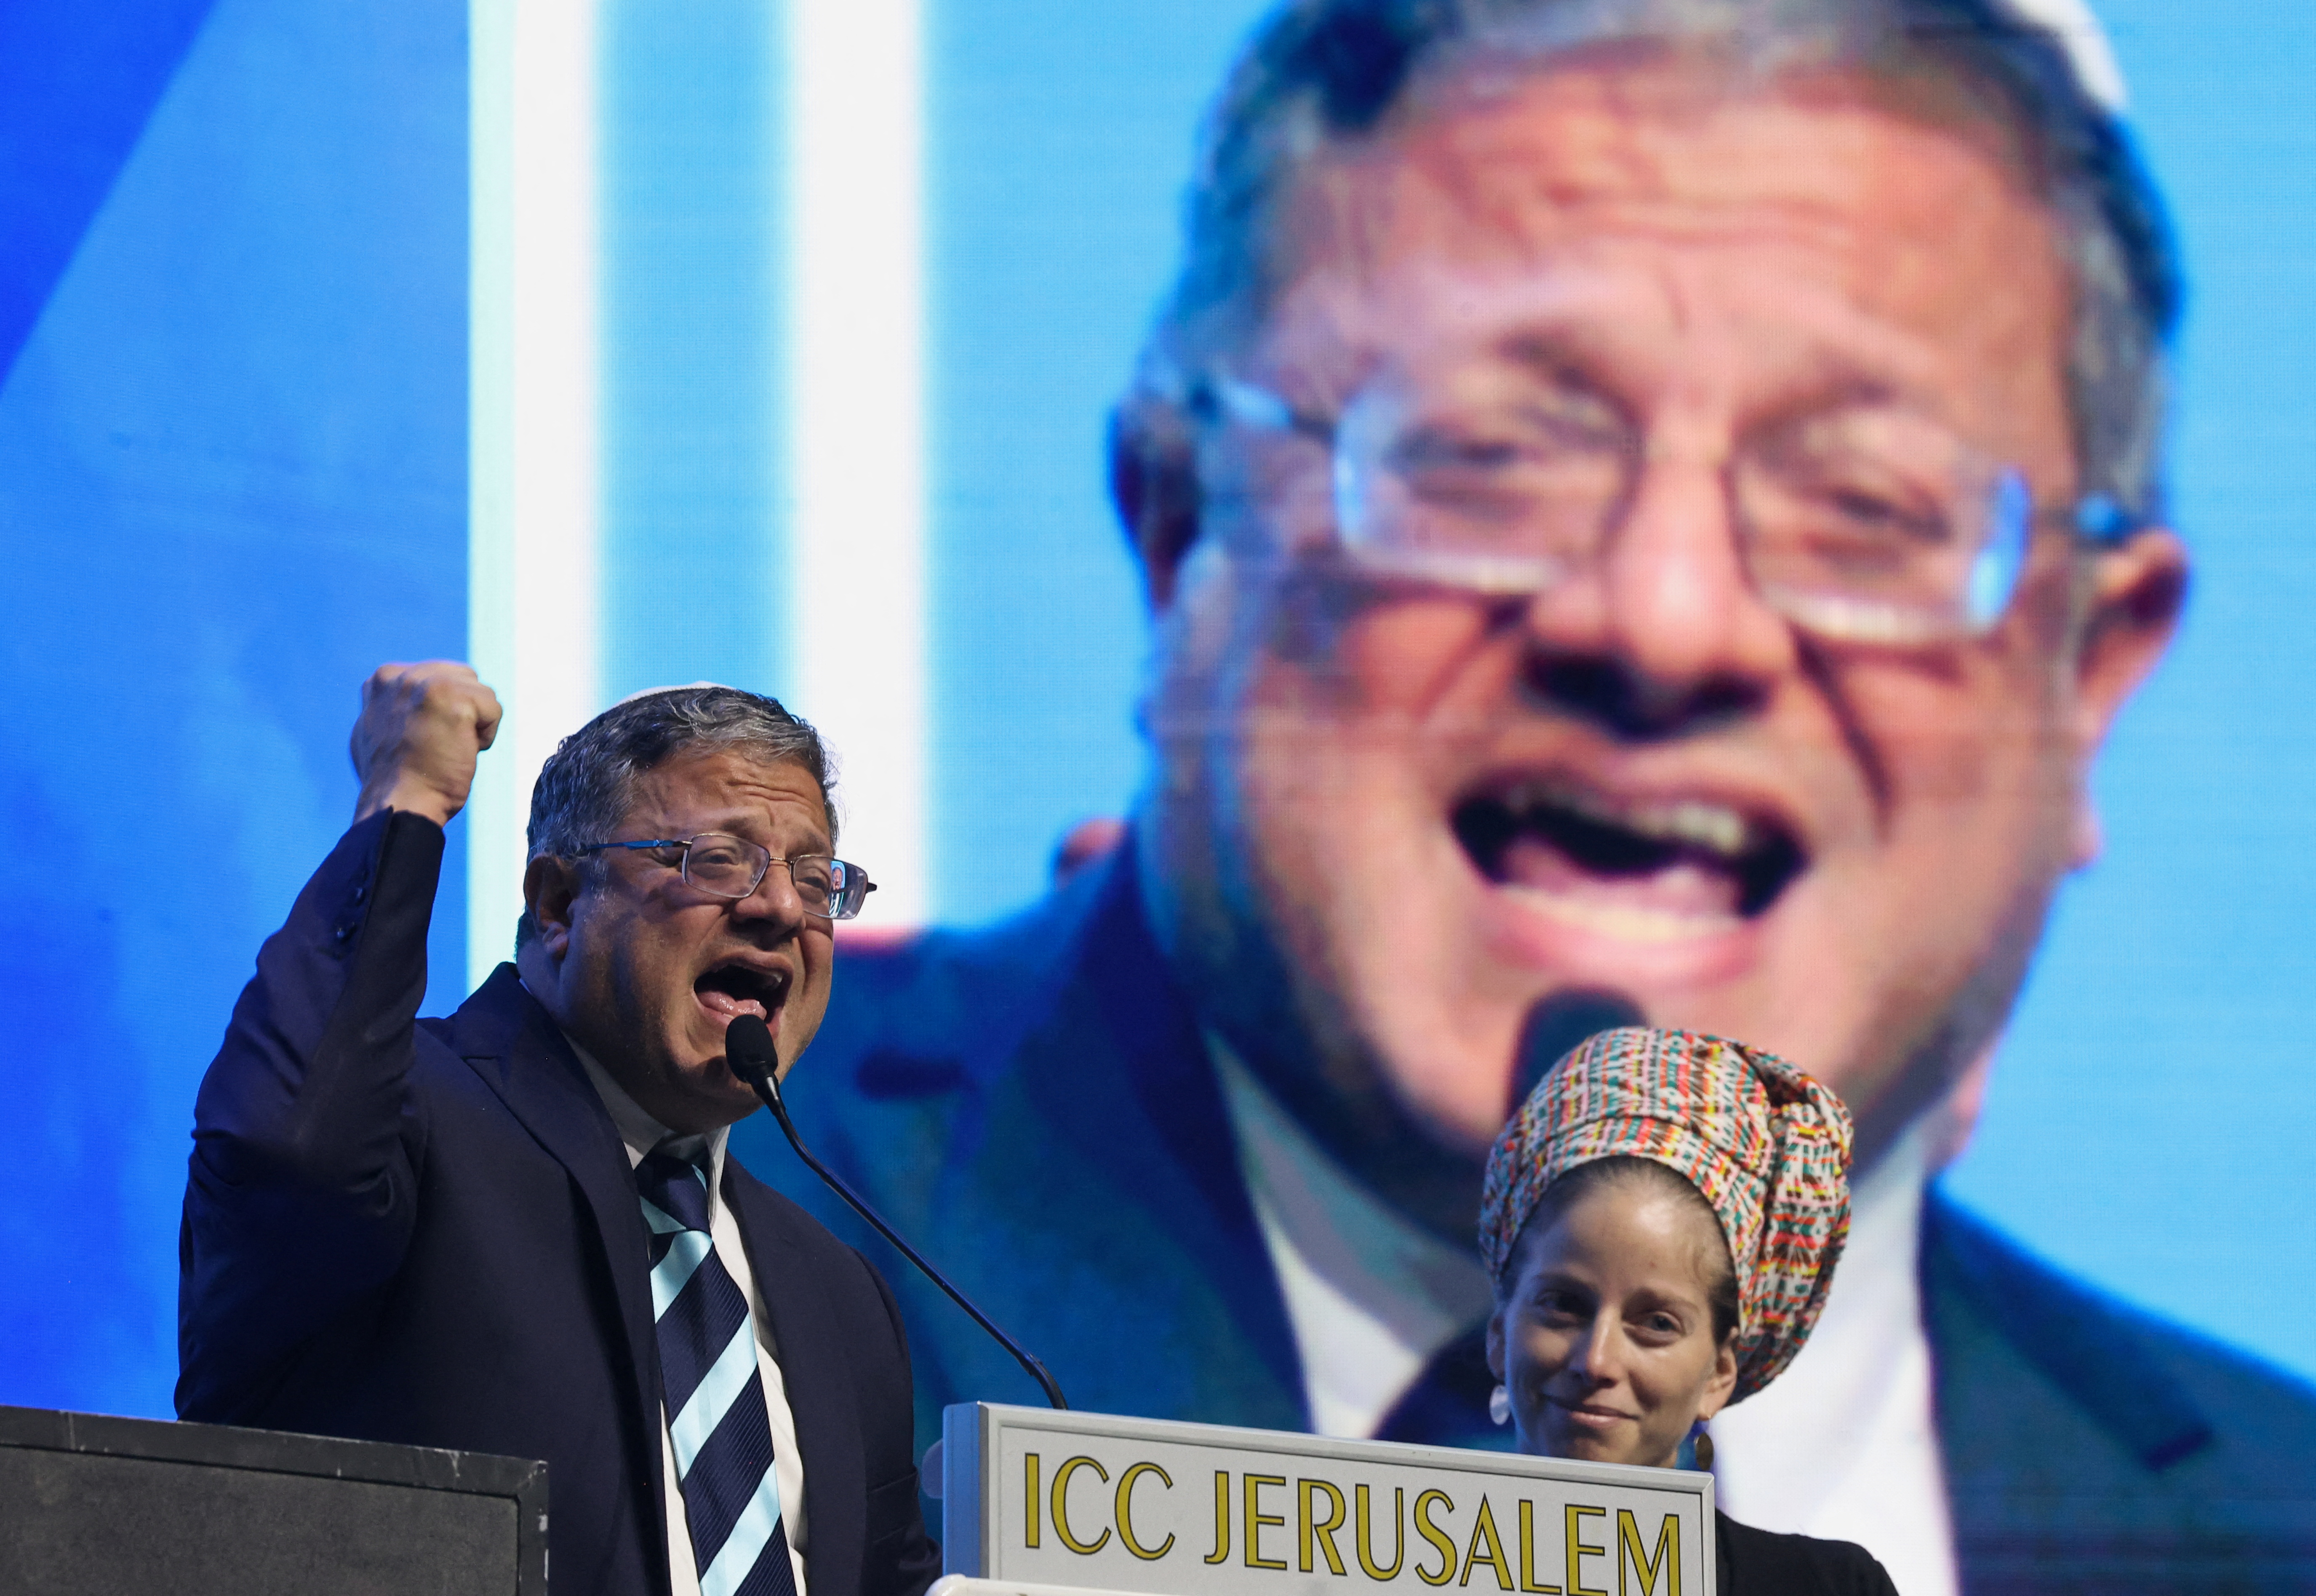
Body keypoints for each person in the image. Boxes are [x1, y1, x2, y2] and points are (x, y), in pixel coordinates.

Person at [734, 0, 2316, 1587]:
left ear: (2089, 672)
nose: (1666, 620)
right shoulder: (699, 1202)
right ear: (1179, 528)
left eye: (1861, 503)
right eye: (1492, 454)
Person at [178, 663, 939, 1596]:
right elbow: (286, 1151)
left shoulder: (838, 1291)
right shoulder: (409, 1124)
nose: (780, 907)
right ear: (557, 905)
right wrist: (404, 802)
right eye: (715, 858)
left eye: (815, 878)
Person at [1481, 1026, 1895, 1595]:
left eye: (1656, 1324)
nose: (1596, 1360)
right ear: (1500, 1333)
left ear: (1719, 1373)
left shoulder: (1830, 1589)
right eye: (1564, 1306)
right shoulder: (1372, 1560)